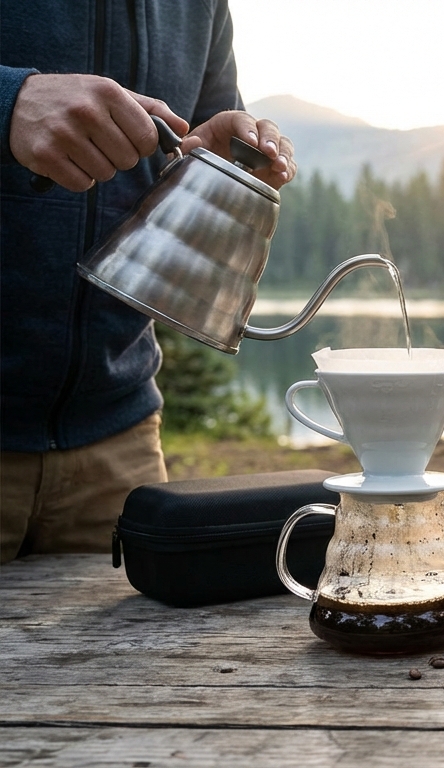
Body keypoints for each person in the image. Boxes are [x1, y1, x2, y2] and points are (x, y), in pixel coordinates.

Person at [0, 1, 297, 563]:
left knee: (133, 651)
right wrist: (9, 102)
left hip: (120, 442)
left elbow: (206, 130)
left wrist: (229, 154)